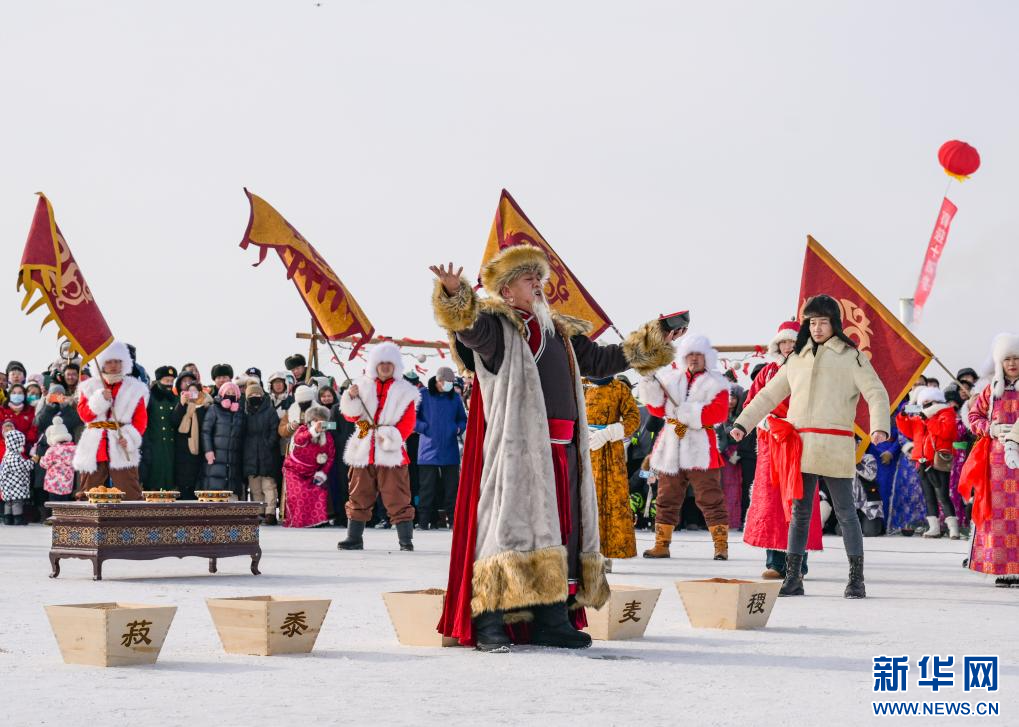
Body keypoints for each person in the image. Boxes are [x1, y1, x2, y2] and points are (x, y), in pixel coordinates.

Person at [430, 252, 676, 651]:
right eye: (528, 278)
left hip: (563, 452)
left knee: (562, 533)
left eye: (538, 277)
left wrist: (655, 339)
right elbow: (468, 328)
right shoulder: (496, 327)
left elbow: (601, 361)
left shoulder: (559, 331)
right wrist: (455, 293)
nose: (538, 284)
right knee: (505, 533)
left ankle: (551, 618)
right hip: (518, 451)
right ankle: (489, 622)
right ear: (506, 290)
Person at [731, 295, 890, 599]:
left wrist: (879, 426)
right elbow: (767, 395)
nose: (817, 328)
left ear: (835, 324)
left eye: (823, 322)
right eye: (812, 322)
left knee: (845, 512)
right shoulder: (797, 359)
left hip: (834, 444)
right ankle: (793, 578)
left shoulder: (852, 357)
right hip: (800, 446)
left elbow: (876, 393)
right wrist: (742, 424)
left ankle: (856, 579)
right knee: (799, 513)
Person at [742, 321, 823, 580]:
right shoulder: (767, 372)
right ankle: (774, 562)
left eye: (792, 341)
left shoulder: (812, 370)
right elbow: (751, 404)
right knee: (772, 503)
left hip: (800, 443)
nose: (788, 346)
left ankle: (798, 563)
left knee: (799, 500)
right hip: (770, 445)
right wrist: (766, 422)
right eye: (783, 342)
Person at [640, 335, 731, 560]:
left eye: (698, 354)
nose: (694, 358)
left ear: (706, 357)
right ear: (683, 357)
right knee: (666, 497)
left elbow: (719, 413)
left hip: (701, 447)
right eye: (690, 354)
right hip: (671, 446)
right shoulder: (670, 380)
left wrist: (690, 413)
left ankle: (721, 546)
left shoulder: (717, 383)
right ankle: (661, 544)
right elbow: (656, 409)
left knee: (710, 498)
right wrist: (650, 383)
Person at [337, 342, 420, 551]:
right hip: (364, 446)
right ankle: (354, 538)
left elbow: (408, 422)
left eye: (389, 363)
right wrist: (351, 397)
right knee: (358, 493)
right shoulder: (362, 386)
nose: (385, 367)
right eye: (381, 363)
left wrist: (393, 436)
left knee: (397, 494)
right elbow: (351, 415)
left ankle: (405, 540)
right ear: (375, 365)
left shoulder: (406, 391)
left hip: (390, 449)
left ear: (395, 366)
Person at [967, 334, 1019, 587]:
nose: (1012, 363)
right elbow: (974, 417)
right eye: (1007, 359)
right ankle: (1001, 567)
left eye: (1016, 358)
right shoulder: (991, 391)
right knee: (998, 515)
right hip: (997, 464)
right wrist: (991, 428)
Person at [73, 342, 149, 500]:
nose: (113, 365)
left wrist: (130, 439)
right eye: (109, 361)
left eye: (117, 361)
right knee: (90, 491)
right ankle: (88, 524)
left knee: (129, 490)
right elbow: (84, 415)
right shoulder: (88, 387)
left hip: (121, 442)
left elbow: (140, 420)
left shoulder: (135, 388)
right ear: (101, 364)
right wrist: (100, 399)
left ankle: (131, 523)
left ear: (124, 363)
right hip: (94, 444)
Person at [585, 374, 641, 561]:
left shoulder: (620, 388)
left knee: (611, 500)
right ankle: (584, 554)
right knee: (584, 501)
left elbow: (633, 418)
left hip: (610, 453)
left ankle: (608, 554)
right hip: (584, 449)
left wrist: (609, 433)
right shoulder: (579, 384)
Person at [897, 386, 959, 539]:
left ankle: (953, 528)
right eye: (923, 403)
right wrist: (903, 416)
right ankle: (934, 527)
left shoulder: (947, 413)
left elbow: (946, 432)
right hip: (921, 461)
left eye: (928, 402)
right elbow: (907, 430)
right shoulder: (919, 417)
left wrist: (928, 420)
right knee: (929, 496)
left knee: (942, 495)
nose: (926, 406)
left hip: (938, 460)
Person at [415, 366, 468, 530]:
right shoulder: (422, 395)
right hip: (427, 450)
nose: (450, 385)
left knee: (451, 489)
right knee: (427, 489)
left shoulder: (455, 398)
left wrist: (458, 428)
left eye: (452, 382)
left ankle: (454, 521)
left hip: (449, 448)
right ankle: (424, 521)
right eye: (448, 382)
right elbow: (412, 418)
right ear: (439, 380)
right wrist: (425, 428)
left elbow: (463, 419)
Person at [282, 405, 335, 528]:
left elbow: (330, 457)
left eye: (322, 420)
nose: (319, 423)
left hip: (313, 472)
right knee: (300, 493)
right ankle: (301, 521)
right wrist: (313, 431)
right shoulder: (303, 429)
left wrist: (322, 473)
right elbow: (299, 439)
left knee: (319, 491)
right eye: (316, 420)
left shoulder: (327, 436)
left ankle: (316, 521)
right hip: (294, 470)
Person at [243, 379, 282, 524]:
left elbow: (274, 430)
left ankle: (270, 512)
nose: (254, 397)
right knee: (255, 488)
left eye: (256, 394)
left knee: (269, 486)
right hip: (250, 454)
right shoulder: (245, 412)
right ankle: (258, 512)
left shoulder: (270, 411)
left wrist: (269, 443)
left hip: (267, 454)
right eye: (251, 395)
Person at [201, 381, 246, 497]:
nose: (230, 394)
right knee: (214, 491)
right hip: (215, 457)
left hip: (233, 460)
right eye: (227, 392)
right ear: (221, 394)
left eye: (233, 392)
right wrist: (208, 450)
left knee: (231, 493)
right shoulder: (214, 409)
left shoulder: (240, 412)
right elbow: (206, 431)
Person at [171, 373, 212, 499]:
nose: (192, 394)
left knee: (196, 484)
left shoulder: (206, 407)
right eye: (190, 391)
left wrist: (199, 407)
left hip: (199, 450)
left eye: (195, 391)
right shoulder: (182, 405)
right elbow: (174, 421)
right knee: (183, 484)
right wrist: (182, 404)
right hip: (183, 451)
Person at [140, 365, 179, 491]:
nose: (169, 384)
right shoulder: (150, 398)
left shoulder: (175, 399)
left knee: (169, 480)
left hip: (170, 446)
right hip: (153, 446)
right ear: (158, 381)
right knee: (154, 481)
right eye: (166, 381)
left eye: (171, 381)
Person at [39, 416, 77, 509]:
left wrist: (41, 459)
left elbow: (44, 464)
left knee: (54, 503)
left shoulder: (52, 450)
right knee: (65, 502)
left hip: (53, 482)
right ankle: (64, 519)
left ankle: (55, 519)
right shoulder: (73, 448)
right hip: (67, 482)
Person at [1, 423, 33, 525]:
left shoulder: (8, 453)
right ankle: (17, 518)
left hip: (8, 484)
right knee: (16, 502)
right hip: (16, 483)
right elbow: (20, 466)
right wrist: (32, 461)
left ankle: (8, 519)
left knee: (8, 502)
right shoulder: (14, 455)